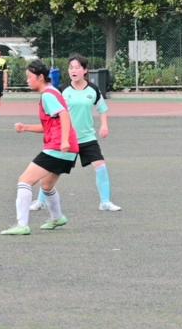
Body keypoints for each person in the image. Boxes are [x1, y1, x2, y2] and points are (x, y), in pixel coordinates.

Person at [31, 55, 121, 212]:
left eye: (77, 67)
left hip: (87, 138)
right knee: (52, 169)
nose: (73, 70)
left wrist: (104, 126)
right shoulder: (62, 91)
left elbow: (102, 109)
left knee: (100, 165)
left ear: (85, 70)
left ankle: (105, 202)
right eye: (71, 67)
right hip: (67, 138)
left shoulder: (93, 89)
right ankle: (40, 201)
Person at [1, 60, 78, 235]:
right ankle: (57, 218)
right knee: (47, 185)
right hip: (70, 149)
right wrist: (25, 128)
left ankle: (22, 225)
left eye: (30, 77)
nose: (27, 80)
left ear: (41, 77)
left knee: (24, 180)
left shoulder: (47, 95)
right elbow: (50, 125)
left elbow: (64, 116)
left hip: (58, 147)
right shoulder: (53, 92)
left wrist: (64, 141)